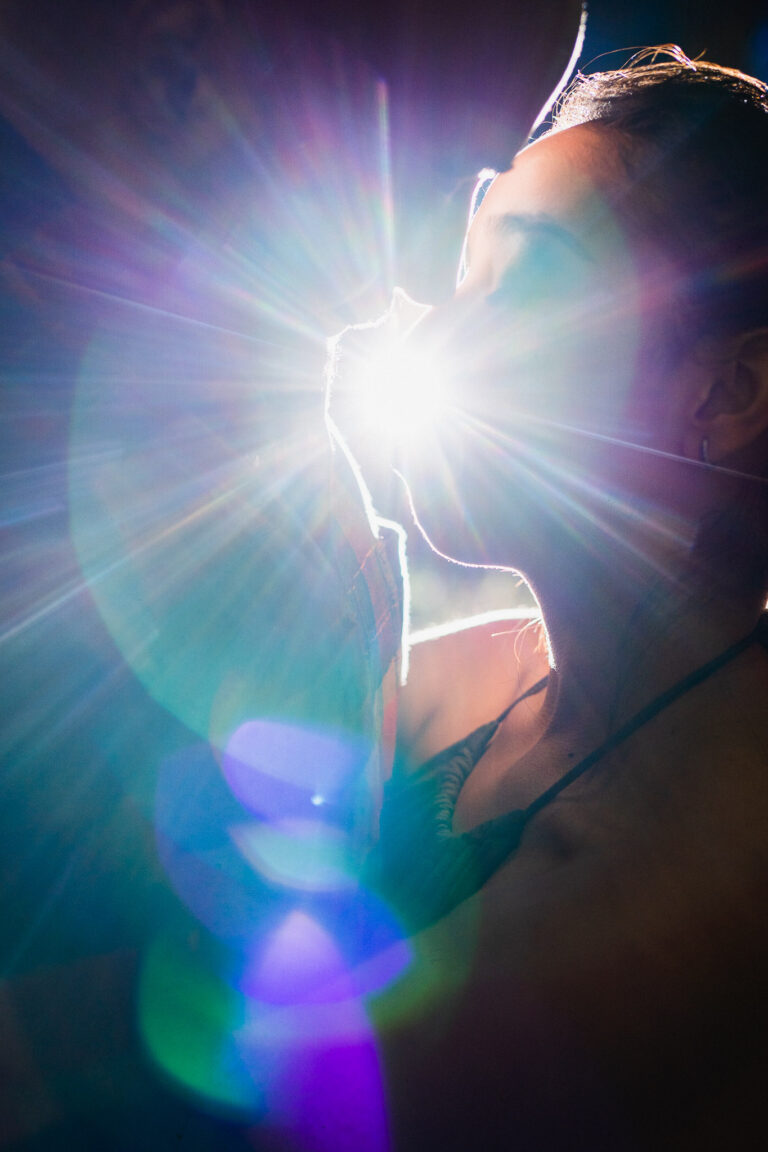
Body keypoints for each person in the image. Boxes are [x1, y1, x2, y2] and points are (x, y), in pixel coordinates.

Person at [338, 47, 768, 1151]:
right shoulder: (469, 666)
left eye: (526, 286)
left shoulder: (736, 820)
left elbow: (343, 1095)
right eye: (461, 279)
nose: (436, 334)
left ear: (725, 392)